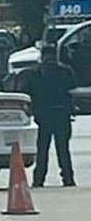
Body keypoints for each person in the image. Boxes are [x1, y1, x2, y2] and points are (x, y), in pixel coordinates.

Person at [22, 45, 77, 188]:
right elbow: (72, 88)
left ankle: (39, 179)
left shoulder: (34, 73)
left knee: (42, 150)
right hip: (61, 114)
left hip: (43, 115)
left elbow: (26, 92)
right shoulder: (65, 71)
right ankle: (68, 178)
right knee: (63, 149)